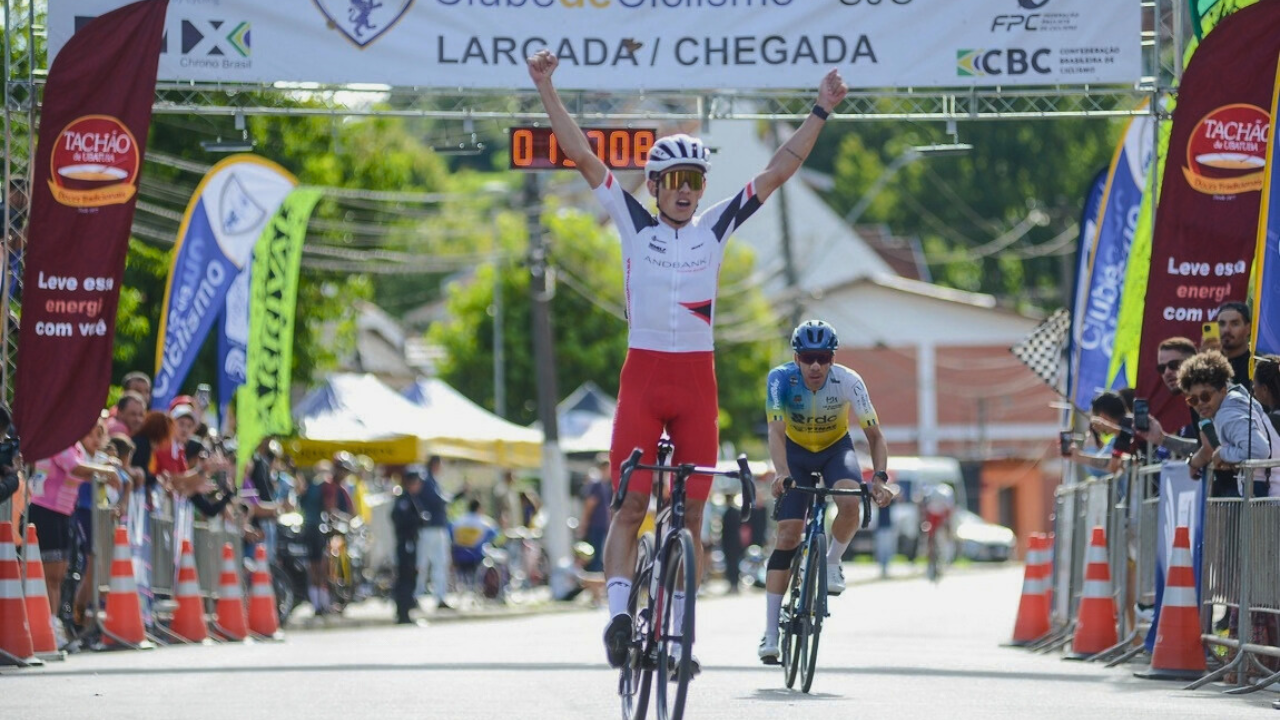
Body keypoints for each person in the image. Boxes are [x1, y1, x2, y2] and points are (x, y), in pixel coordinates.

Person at [528, 49, 849, 671]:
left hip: (697, 381)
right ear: (654, 187)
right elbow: (580, 152)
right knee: (630, 506)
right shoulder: (629, 220)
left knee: (694, 514)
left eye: (694, 182)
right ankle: (621, 618)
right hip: (644, 377)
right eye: (674, 183)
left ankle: (678, 637)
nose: (684, 192)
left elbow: (780, 168)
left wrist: (821, 110)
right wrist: (547, 88)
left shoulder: (715, 226)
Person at [758, 320, 892, 664]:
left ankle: (832, 561)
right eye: (807, 357)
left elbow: (875, 436)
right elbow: (775, 431)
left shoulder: (849, 381)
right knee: (788, 535)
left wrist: (878, 477)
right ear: (796, 357)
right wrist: (783, 473)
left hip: (835, 450)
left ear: (832, 359)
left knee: (850, 501)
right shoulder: (779, 379)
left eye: (823, 357)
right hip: (795, 454)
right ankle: (771, 633)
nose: (815, 365)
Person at [1179, 350, 1280, 498]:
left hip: (1266, 495)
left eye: (1205, 396)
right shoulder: (1238, 399)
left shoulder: (1228, 413)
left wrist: (1222, 453)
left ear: (1223, 391)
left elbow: (1259, 450)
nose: (1200, 404)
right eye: (1193, 400)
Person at [1138, 337, 1200, 459]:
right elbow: (1203, 449)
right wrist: (1160, 438)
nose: (1167, 372)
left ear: (1193, 363)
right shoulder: (1191, 402)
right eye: (1162, 368)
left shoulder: (1206, 400)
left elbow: (1210, 450)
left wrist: (1162, 439)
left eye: (1174, 365)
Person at [415, 455, 455, 610]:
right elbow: (438, 500)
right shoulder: (426, 480)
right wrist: (455, 496)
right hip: (428, 528)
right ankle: (416, 595)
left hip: (438, 527)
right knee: (422, 563)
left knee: (440, 562)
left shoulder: (432, 480)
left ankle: (440, 596)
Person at [391, 470, 428, 624]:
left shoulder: (411, 498)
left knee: (410, 576)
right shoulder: (404, 499)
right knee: (406, 577)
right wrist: (418, 520)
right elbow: (399, 519)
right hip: (406, 543)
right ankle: (403, 613)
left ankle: (405, 611)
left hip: (410, 542)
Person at [451, 499, 499, 589]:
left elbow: (450, 535)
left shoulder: (458, 521)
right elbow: (495, 534)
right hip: (476, 556)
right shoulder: (484, 522)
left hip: (458, 556)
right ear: (479, 509)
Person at [577, 454, 612, 574]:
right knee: (594, 555)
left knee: (600, 554)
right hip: (595, 525)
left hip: (602, 525)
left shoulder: (604, 485)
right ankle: (592, 580)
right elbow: (589, 505)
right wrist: (584, 524)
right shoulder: (596, 485)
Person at [1215, 301, 1253, 390]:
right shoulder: (1208, 365)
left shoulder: (1258, 367)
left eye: (1235, 324)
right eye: (1222, 324)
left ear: (1248, 328)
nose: (1226, 330)